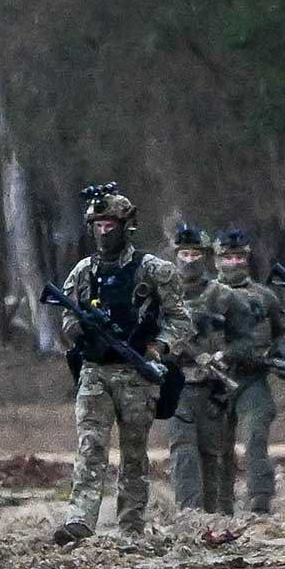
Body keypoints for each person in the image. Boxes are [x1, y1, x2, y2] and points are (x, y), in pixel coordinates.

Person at [54, 185, 192, 545]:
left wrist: (157, 348)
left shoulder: (153, 270)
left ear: (126, 225)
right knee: (90, 446)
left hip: (137, 373)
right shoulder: (83, 272)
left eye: (110, 224)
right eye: (98, 225)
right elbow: (66, 320)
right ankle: (80, 519)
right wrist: (82, 331)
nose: (104, 232)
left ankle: (131, 525)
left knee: (133, 453)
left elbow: (180, 319)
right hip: (95, 370)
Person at [166, 223, 252, 514]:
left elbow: (248, 341)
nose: (189, 260)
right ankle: (189, 515)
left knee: (212, 455)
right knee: (183, 452)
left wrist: (223, 355)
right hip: (176, 387)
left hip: (213, 390)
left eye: (195, 254)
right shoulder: (164, 294)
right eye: (184, 253)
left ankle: (216, 516)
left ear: (205, 257)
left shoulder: (224, 296)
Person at [215, 228, 285, 515]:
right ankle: (220, 506)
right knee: (219, 449)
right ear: (217, 260)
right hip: (216, 382)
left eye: (239, 257)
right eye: (227, 258)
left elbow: (282, 331)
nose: (233, 263)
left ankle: (260, 499)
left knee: (255, 439)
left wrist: (281, 354)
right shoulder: (208, 295)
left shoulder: (264, 296)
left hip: (253, 379)